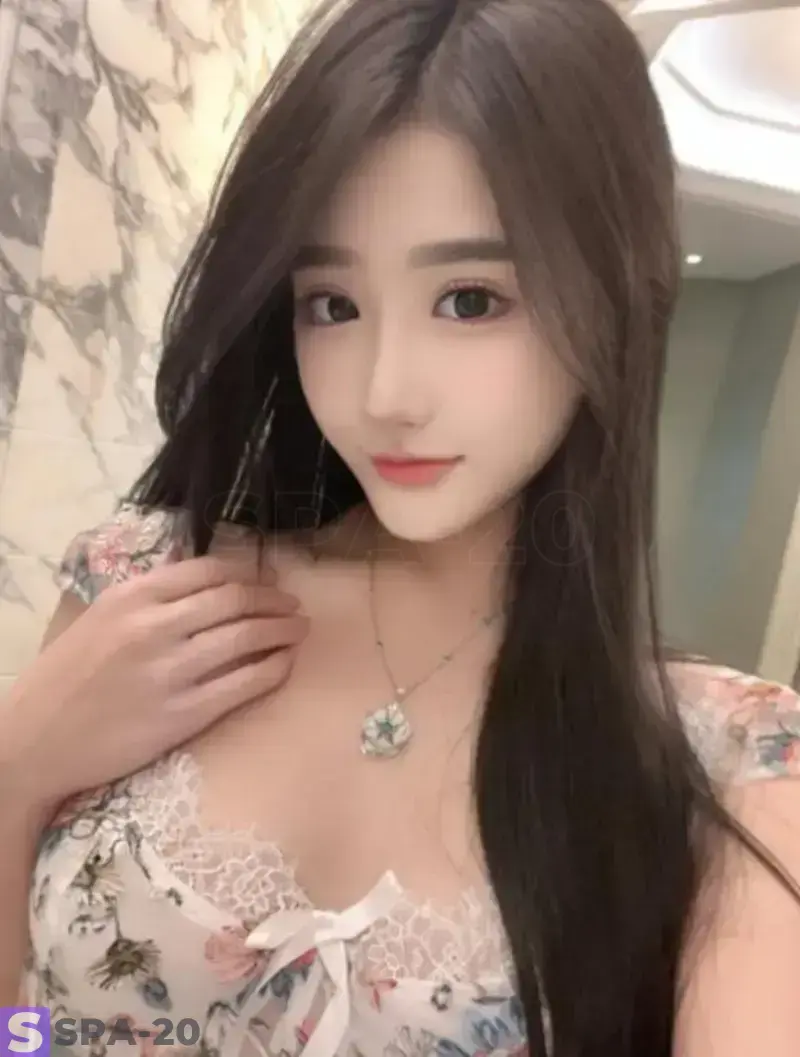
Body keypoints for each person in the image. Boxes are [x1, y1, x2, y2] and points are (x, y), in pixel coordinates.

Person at [2, 0, 800, 1054]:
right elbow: (21, 1021)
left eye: (469, 299)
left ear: (614, 298)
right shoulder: (144, 584)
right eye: (331, 303)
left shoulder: (727, 764)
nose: (383, 392)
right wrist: (14, 771)